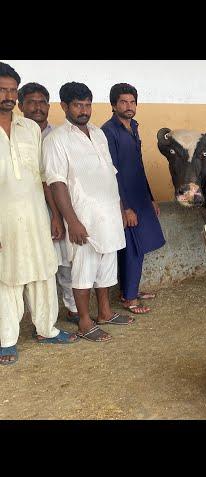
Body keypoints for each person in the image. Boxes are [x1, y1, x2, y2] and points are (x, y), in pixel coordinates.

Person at [43, 82, 134, 343]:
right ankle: (84, 322)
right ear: (64, 107)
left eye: (87, 105)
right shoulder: (56, 140)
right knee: (83, 270)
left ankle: (104, 312)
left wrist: (118, 208)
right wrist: (71, 221)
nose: (83, 110)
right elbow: (56, 182)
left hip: (108, 213)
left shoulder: (98, 133)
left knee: (106, 266)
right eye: (77, 105)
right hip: (83, 217)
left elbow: (110, 173)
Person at [0, 62, 77, 366]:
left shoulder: (30, 129)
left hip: (35, 215)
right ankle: (6, 339)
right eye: (1, 89)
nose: (7, 95)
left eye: (10, 89)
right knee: (7, 278)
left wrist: (55, 216)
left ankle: (46, 329)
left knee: (44, 272)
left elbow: (43, 177)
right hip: (3, 221)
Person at [17, 82, 79, 324]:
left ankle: (73, 308)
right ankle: (38, 318)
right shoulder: (17, 135)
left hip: (60, 208)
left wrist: (60, 214)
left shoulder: (58, 135)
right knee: (36, 264)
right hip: (28, 210)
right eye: (31, 102)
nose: (37, 107)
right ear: (21, 105)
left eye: (42, 102)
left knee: (65, 260)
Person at [102, 83, 166, 314]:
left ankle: (131, 290)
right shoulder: (108, 132)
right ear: (113, 105)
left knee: (141, 245)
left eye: (132, 102)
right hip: (125, 198)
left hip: (140, 196)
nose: (129, 106)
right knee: (131, 248)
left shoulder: (134, 127)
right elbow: (112, 172)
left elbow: (139, 166)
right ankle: (129, 298)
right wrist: (124, 208)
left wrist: (150, 198)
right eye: (123, 102)